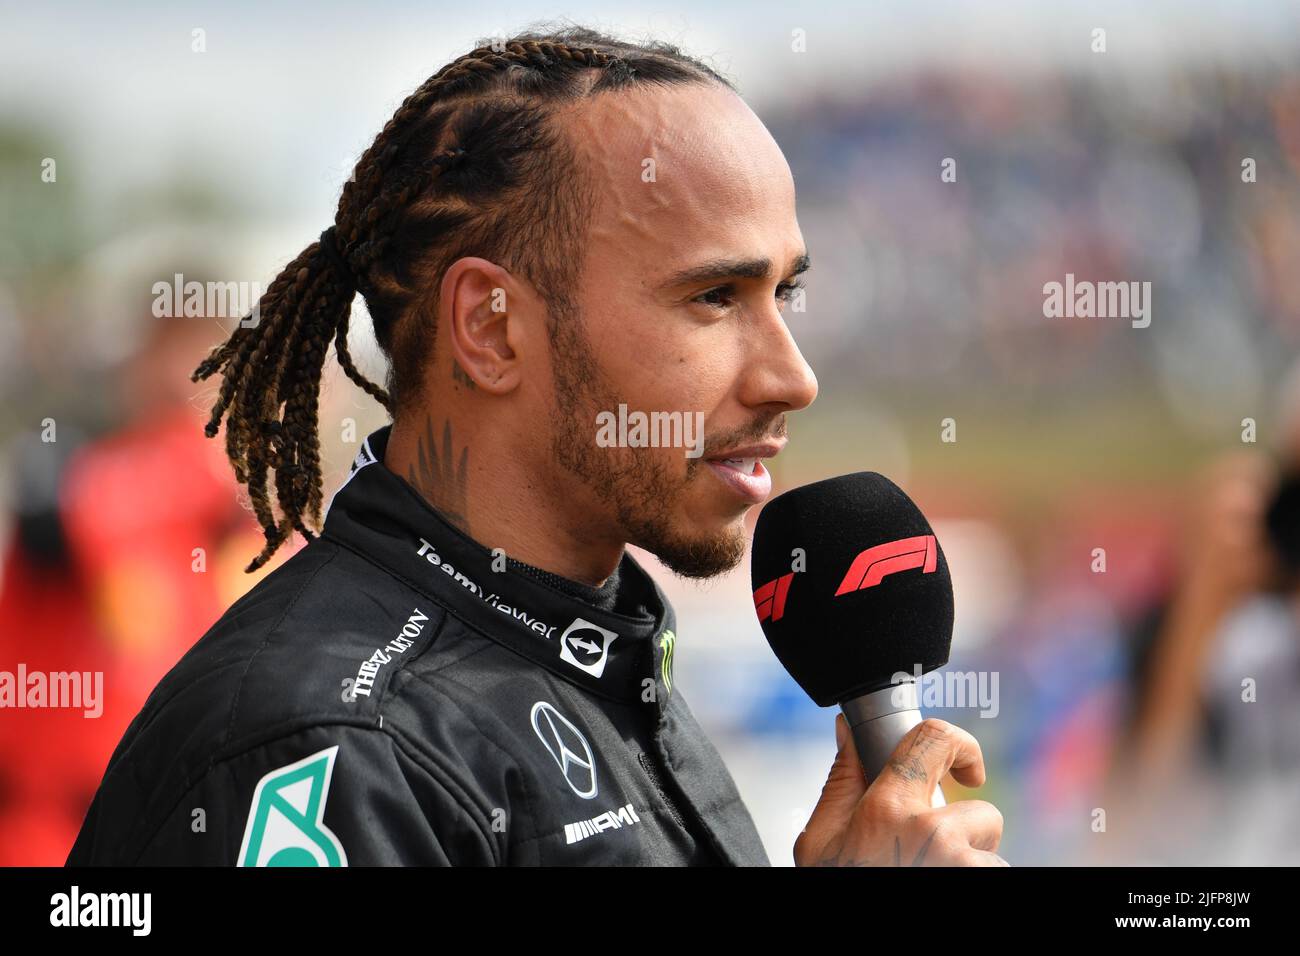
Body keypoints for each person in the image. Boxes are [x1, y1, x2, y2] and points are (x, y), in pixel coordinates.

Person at [68, 26, 1004, 866]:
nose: (792, 377)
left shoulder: (593, 647)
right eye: (715, 297)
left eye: (783, 295)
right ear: (493, 327)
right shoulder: (332, 749)